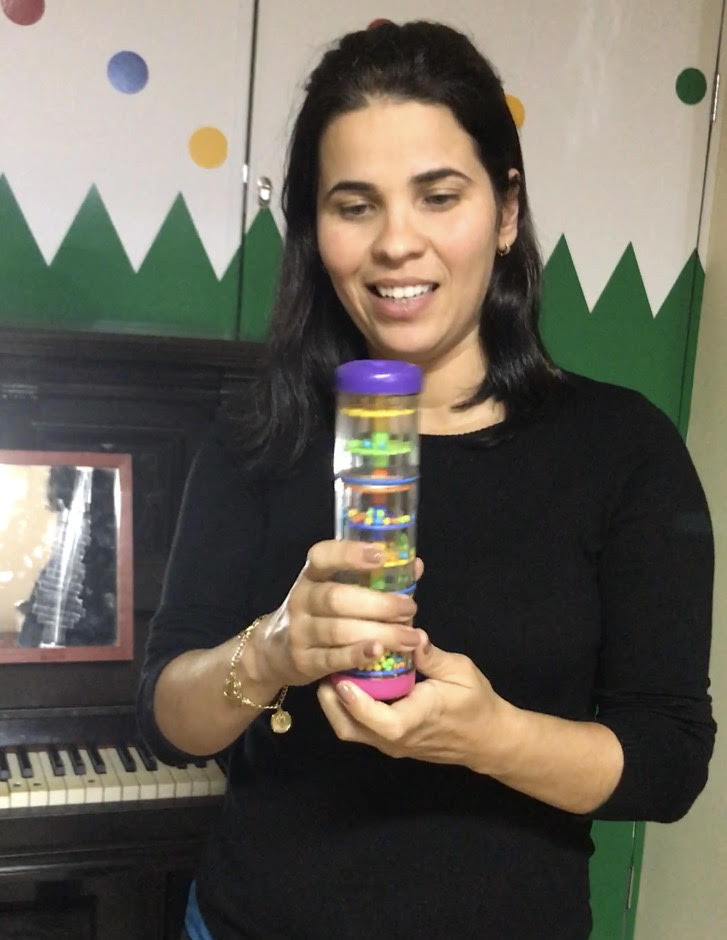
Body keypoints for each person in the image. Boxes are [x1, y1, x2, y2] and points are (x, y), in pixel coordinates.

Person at [136, 20, 715, 940]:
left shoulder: (622, 449)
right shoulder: (260, 436)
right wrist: (273, 649)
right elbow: (168, 719)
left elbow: (668, 762)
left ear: (506, 210)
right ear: (314, 227)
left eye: (438, 196)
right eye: (354, 205)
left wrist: (489, 737)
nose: (395, 244)